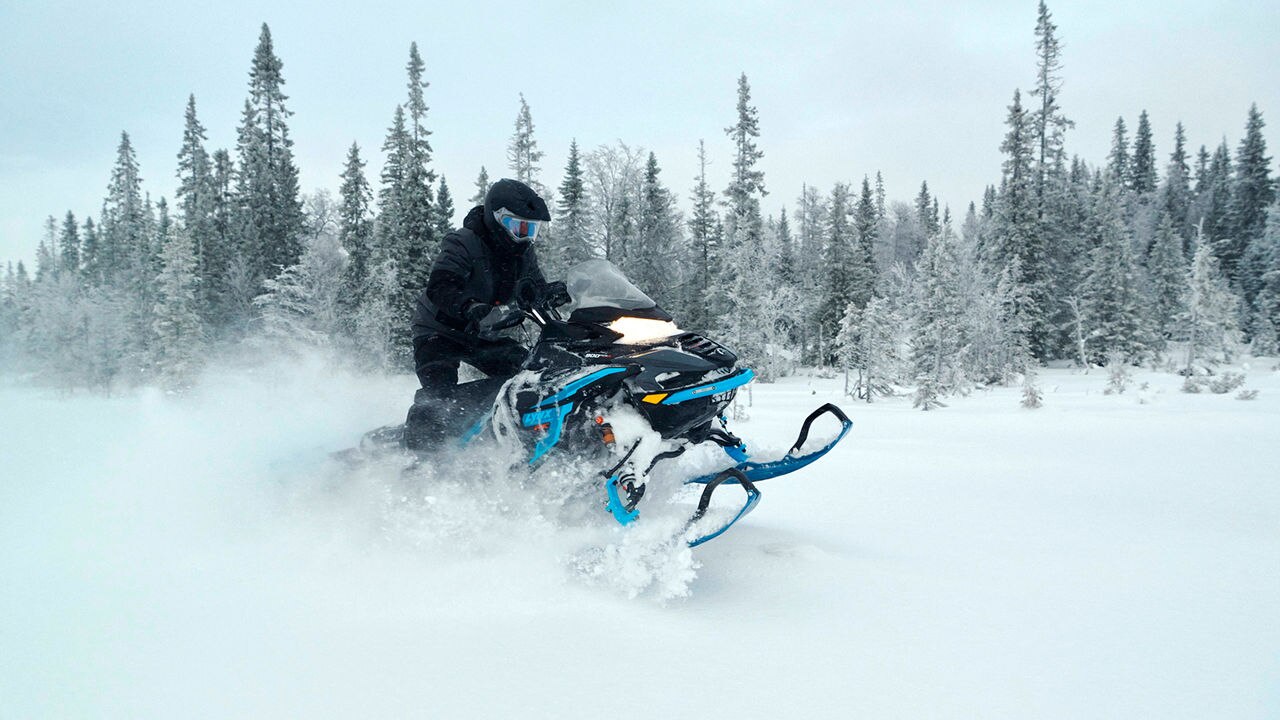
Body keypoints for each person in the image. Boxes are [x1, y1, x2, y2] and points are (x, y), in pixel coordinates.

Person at [403, 178, 568, 449]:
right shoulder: (464, 242)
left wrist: (550, 293)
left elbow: (533, 287)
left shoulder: (523, 253)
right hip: (440, 331)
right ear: (497, 219)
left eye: (532, 229)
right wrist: (471, 308)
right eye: (519, 227)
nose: (525, 236)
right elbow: (441, 285)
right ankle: (419, 458)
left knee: (532, 376)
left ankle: (523, 440)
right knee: (438, 398)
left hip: (485, 334)